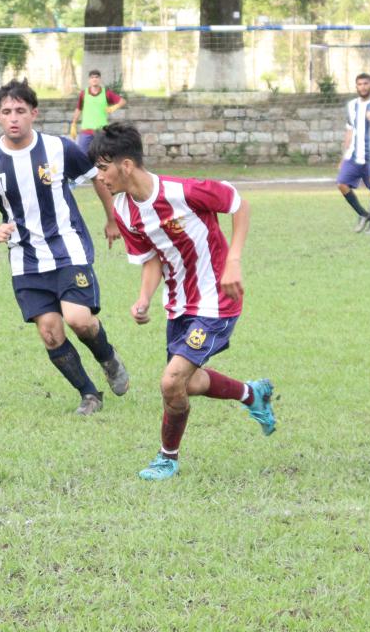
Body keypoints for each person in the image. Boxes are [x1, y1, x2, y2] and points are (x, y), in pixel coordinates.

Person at [89, 122, 276, 480]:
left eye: (102, 167)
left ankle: (167, 458)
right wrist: (143, 298)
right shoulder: (124, 211)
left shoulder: (183, 191)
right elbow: (151, 259)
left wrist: (233, 260)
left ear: (125, 165)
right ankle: (252, 394)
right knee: (188, 383)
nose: (99, 177)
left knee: (171, 381)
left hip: (217, 300)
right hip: (178, 304)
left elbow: (239, 205)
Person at [0, 79, 131, 415]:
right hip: (25, 259)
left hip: (67, 247)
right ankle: (89, 394)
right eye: (6, 112)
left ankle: (108, 357)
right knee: (50, 333)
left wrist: (112, 219)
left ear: (34, 113)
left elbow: (97, 178)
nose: (14, 117)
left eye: (20, 110)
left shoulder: (60, 148)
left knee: (79, 319)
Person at [335, 72, 370, 234]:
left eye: (365, 84)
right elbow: (349, 131)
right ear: (356, 87)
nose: (363, 87)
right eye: (360, 84)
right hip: (353, 156)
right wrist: (343, 157)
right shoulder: (351, 105)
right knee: (341, 183)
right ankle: (362, 213)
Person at [68, 69, 124, 154]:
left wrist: (115, 107)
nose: (94, 79)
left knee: (102, 157)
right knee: (82, 156)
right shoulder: (84, 94)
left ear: (100, 79)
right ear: (89, 80)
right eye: (92, 77)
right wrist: (73, 124)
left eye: (96, 77)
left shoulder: (106, 93)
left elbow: (122, 101)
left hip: (101, 132)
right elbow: (78, 109)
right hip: (86, 132)